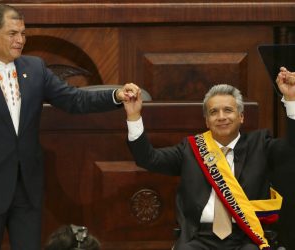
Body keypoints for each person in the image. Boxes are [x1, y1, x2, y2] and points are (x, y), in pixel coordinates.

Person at [0, 4, 139, 250]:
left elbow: (74, 99)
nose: (20, 40)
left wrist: (116, 95)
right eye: (12, 33)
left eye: (23, 33)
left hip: (27, 190)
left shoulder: (35, 69)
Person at [123, 77, 295, 249]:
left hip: (246, 236)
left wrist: (291, 100)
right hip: (199, 237)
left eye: (228, 110)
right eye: (214, 112)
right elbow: (148, 158)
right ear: (206, 121)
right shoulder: (190, 149)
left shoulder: (260, 144)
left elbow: (292, 148)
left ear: (241, 116)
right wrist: (133, 115)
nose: (221, 117)